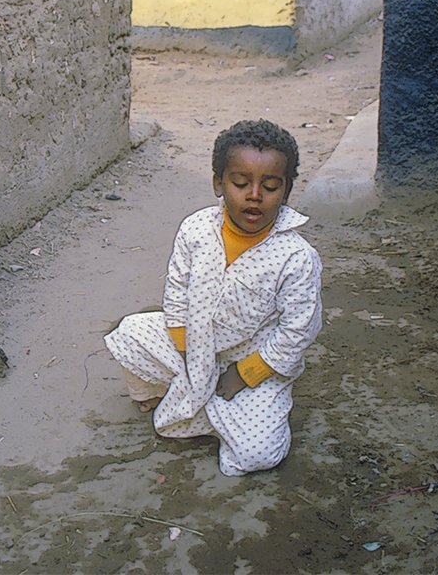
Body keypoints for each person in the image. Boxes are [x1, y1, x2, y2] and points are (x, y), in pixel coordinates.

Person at [105, 119, 323, 477]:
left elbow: (298, 332)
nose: (254, 195)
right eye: (240, 183)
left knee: (258, 454)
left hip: (254, 363)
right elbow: (175, 294)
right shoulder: (195, 229)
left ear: (285, 191)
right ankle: (190, 400)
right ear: (218, 184)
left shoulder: (296, 257)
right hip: (193, 347)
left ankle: (204, 406)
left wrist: (245, 373)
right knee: (130, 333)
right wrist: (189, 358)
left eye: (269, 186)